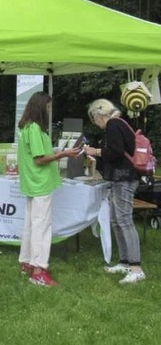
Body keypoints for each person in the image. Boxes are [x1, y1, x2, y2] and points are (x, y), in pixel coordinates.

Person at [17, 91, 80, 287]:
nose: (50, 110)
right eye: (48, 107)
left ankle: (26, 262)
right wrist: (63, 154)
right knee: (41, 227)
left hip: (31, 183)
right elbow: (40, 159)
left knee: (30, 225)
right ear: (40, 107)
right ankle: (39, 270)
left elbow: (38, 153)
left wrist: (59, 152)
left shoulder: (27, 127)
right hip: (40, 183)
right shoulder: (35, 128)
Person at [85, 99, 145, 284]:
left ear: (99, 114)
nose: (96, 123)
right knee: (116, 220)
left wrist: (96, 151)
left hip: (124, 177)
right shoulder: (121, 123)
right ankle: (124, 261)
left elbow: (116, 151)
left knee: (125, 220)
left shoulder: (113, 124)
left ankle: (136, 268)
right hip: (121, 177)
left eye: (94, 119)